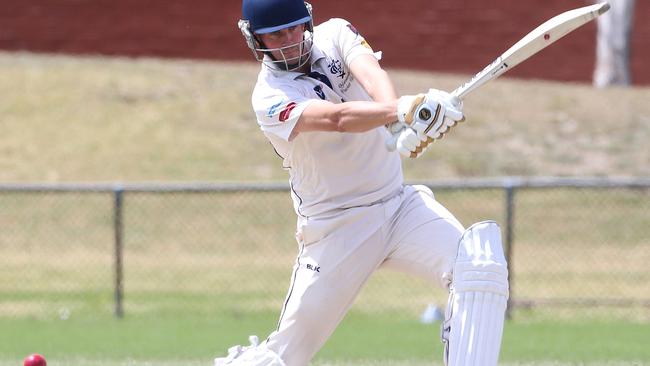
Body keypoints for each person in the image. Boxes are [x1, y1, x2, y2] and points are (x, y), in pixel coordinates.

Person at [215, 1, 509, 365]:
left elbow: (371, 75)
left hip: (400, 206)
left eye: (296, 27)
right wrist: (400, 111)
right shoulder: (270, 97)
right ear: (254, 38)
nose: (291, 40)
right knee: (282, 357)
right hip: (338, 228)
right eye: (276, 34)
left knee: (479, 266)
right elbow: (337, 118)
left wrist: (401, 118)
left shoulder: (336, 32)